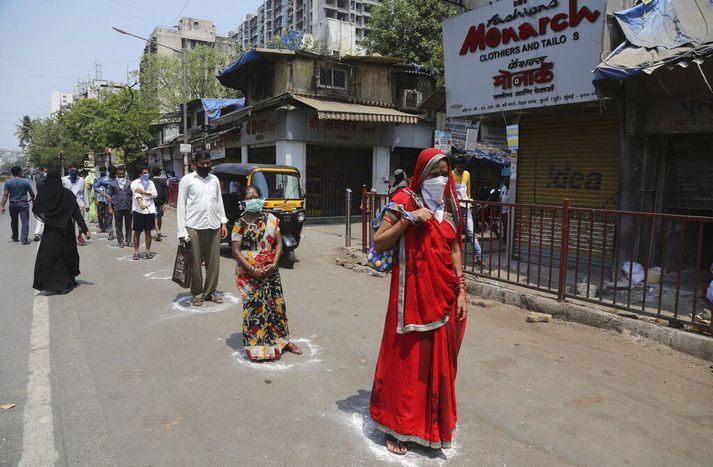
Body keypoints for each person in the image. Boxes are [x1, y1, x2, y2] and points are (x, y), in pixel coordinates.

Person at [370, 148, 468, 454]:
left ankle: (431, 425)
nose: (440, 179)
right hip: (410, 300)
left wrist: (462, 289)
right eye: (434, 173)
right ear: (421, 173)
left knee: (435, 365)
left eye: (444, 173)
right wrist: (409, 221)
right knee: (407, 363)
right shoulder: (404, 202)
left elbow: (453, 249)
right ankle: (397, 427)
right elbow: (378, 240)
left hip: (444, 298)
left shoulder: (449, 207)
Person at [231, 186, 302, 360]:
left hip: (270, 271)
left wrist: (274, 263)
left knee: (276, 306)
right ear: (244, 201)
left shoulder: (271, 219)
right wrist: (252, 269)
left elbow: (278, 243)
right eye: (249, 196)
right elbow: (235, 251)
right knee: (254, 310)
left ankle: (282, 341)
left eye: (256, 195)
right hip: (249, 273)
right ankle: (258, 348)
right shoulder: (239, 224)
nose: (253, 198)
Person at [176, 150, 228, 306]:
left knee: (213, 263)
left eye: (208, 163)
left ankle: (210, 292)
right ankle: (197, 293)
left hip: (213, 225)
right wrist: (181, 230)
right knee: (195, 262)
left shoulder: (215, 180)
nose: (206, 166)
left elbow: (219, 201)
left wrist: (223, 222)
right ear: (194, 164)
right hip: (193, 226)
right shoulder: (187, 180)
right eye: (202, 163)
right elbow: (181, 206)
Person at [32, 169, 91, 294]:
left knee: (49, 256)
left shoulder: (44, 194)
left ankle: (50, 283)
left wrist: (49, 217)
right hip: (66, 230)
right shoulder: (68, 194)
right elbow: (76, 214)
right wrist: (85, 229)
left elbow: (37, 208)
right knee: (66, 255)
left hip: (50, 232)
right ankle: (66, 282)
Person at [451, 155, 482, 265]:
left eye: (463, 167)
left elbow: (468, 192)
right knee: (453, 233)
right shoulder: (451, 175)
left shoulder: (467, 174)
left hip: (466, 207)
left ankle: (479, 258)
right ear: (456, 165)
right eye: (459, 167)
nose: (461, 169)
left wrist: (470, 203)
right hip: (455, 209)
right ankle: (452, 259)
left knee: (471, 232)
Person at [1, 166, 35, 244]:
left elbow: (5, 195)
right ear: (20, 172)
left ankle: (15, 237)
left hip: (12, 204)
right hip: (23, 203)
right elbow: (31, 193)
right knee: (25, 221)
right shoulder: (25, 181)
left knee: (14, 221)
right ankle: (24, 240)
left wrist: (2, 206)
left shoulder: (8, 182)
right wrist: (32, 199)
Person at [130, 167, 158, 260]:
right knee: (137, 232)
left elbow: (155, 194)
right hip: (139, 210)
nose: (146, 174)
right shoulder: (134, 183)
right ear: (140, 174)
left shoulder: (151, 183)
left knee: (148, 232)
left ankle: (148, 252)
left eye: (148, 172)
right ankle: (136, 252)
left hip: (150, 209)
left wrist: (144, 192)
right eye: (144, 173)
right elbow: (137, 194)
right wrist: (141, 203)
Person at [62, 164, 89, 246]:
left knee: (81, 222)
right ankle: (71, 238)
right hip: (68, 205)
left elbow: (85, 193)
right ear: (69, 170)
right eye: (72, 170)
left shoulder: (81, 180)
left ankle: (79, 236)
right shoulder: (63, 180)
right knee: (70, 224)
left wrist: (87, 204)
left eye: (75, 171)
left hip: (79, 204)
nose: (74, 172)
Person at [107, 165, 134, 248]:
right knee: (118, 225)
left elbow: (134, 195)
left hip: (128, 207)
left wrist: (134, 207)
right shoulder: (112, 184)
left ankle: (129, 241)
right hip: (117, 207)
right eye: (119, 174)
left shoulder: (130, 183)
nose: (121, 175)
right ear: (117, 174)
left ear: (125, 173)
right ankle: (120, 241)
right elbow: (110, 196)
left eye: (123, 174)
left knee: (129, 225)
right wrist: (110, 208)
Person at [93, 168, 114, 239]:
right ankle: (109, 232)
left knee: (115, 219)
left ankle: (120, 235)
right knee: (106, 216)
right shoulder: (103, 180)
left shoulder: (119, 179)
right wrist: (101, 193)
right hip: (106, 200)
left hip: (118, 201)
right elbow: (95, 187)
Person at [151, 166, 168, 241]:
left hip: (152, 200)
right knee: (160, 217)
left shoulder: (150, 181)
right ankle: (159, 230)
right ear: (159, 173)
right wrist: (165, 203)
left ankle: (157, 231)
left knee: (154, 216)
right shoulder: (163, 181)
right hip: (161, 201)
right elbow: (165, 192)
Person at [33, 167, 48, 241]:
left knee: (40, 217)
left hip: (39, 199)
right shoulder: (46, 180)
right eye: (45, 171)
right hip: (46, 200)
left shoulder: (37, 178)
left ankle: (37, 233)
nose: (46, 173)